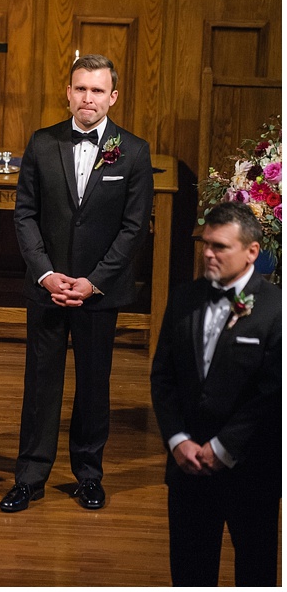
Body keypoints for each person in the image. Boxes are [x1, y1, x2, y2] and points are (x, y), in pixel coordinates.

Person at [0, 53, 153, 513]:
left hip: (99, 292)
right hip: (48, 286)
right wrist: (47, 274)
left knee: (93, 386)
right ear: (68, 92)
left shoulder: (134, 151)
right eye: (81, 88)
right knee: (40, 386)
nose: (88, 98)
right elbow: (25, 215)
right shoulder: (42, 142)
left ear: (113, 96)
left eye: (97, 90)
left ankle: (88, 475)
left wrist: (93, 281)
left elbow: (134, 227)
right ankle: (29, 477)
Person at [150, 201, 281, 586]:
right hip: (188, 467)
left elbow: (273, 393)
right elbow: (163, 377)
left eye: (220, 246)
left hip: (250, 470)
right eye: (206, 244)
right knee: (190, 574)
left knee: (255, 574)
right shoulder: (183, 298)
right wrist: (177, 440)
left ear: (251, 251)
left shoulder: (277, 309)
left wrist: (223, 448)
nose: (208, 253)